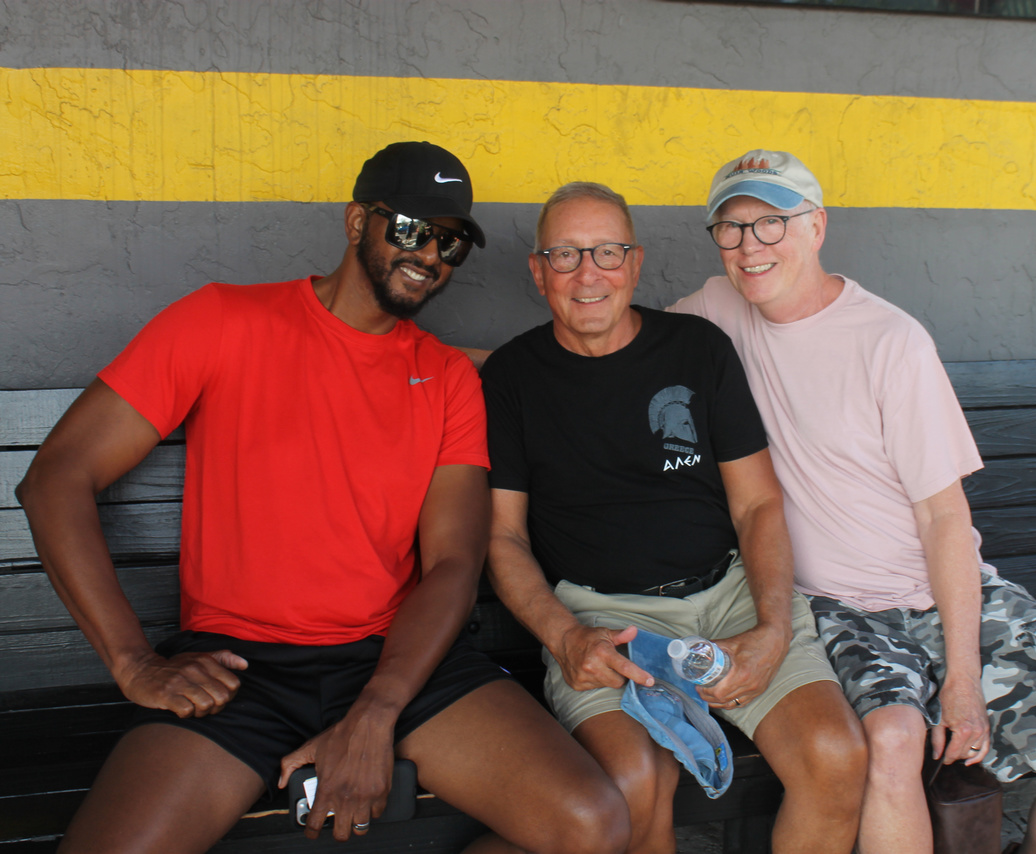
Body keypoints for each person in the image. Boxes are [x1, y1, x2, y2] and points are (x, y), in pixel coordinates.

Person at [16, 142, 628, 854]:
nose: (428, 254)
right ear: (355, 221)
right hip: (237, 669)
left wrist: (376, 710)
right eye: (408, 228)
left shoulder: (446, 378)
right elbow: (55, 478)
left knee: (591, 825)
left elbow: (455, 564)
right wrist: (131, 662)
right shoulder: (222, 321)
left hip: (395, 658)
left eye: (449, 240)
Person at [669, 149, 1036, 854]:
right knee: (892, 739)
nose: (749, 247)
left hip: (946, 595)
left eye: (771, 224)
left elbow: (943, 516)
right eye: (730, 229)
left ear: (815, 226)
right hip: (833, 605)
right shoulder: (714, 312)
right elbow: (604, 350)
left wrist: (961, 678)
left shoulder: (889, 340)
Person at [482, 181, 866, 854]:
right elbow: (503, 536)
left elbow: (757, 504)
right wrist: (565, 637)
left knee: (835, 756)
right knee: (633, 784)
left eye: (606, 251)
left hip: (729, 601)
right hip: (605, 623)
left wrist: (773, 628)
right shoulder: (512, 378)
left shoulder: (696, 349)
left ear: (634, 263)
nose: (588, 273)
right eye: (566, 256)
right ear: (537, 271)